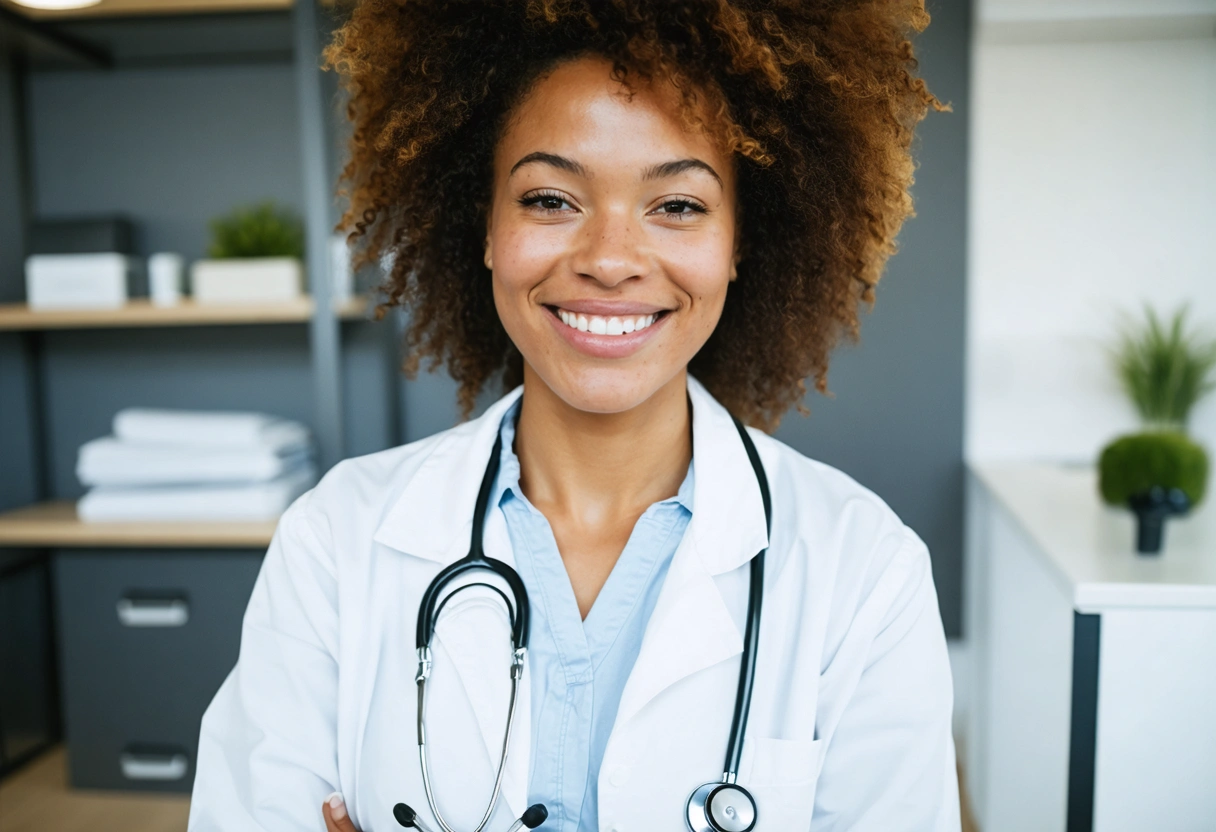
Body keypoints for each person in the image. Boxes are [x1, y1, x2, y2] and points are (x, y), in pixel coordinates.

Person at [188, 1, 959, 830]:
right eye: (552, 199)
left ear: (741, 242)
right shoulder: (336, 543)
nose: (610, 260)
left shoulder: (864, 572)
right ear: (483, 225)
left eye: (679, 206)